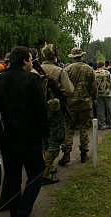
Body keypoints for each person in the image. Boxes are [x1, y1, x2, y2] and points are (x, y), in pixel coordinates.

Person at [0, 46, 49, 217]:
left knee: (13, 180)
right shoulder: (31, 80)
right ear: (25, 60)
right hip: (29, 137)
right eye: (31, 60)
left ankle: (15, 212)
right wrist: (45, 132)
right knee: (36, 175)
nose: (32, 63)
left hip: (7, 137)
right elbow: (41, 110)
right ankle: (23, 211)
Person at [40, 44, 74, 185]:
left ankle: (49, 166)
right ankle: (45, 173)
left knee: (45, 139)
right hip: (54, 110)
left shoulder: (33, 71)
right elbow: (69, 90)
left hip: (39, 109)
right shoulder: (58, 71)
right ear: (55, 56)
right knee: (56, 138)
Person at [58, 48, 97, 166]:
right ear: (82, 56)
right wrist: (94, 100)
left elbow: (63, 87)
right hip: (85, 103)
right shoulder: (89, 70)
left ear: (72, 57)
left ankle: (66, 152)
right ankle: (84, 153)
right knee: (84, 128)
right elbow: (93, 87)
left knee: (69, 128)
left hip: (70, 103)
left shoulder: (67, 70)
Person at [95, 61, 111, 130]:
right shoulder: (107, 73)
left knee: (100, 110)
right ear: (103, 66)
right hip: (107, 93)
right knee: (109, 109)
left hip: (98, 94)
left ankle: (101, 124)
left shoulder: (94, 73)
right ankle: (110, 123)